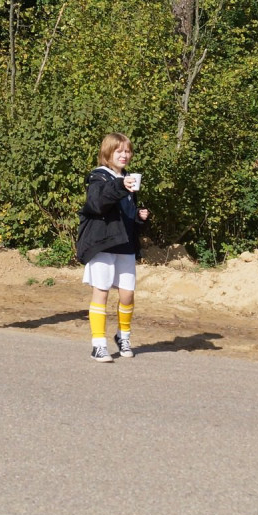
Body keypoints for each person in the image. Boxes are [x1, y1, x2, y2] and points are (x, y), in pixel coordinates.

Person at [76, 133, 150, 362]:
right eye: (119, 151)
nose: (124, 155)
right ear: (108, 153)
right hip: (103, 243)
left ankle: (123, 336)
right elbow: (97, 203)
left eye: (127, 151)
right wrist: (120, 185)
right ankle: (98, 344)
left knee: (127, 294)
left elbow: (123, 214)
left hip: (125, 243)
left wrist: (139, 217)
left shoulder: (127, 178)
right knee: (102, 291)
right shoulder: (99, 177)